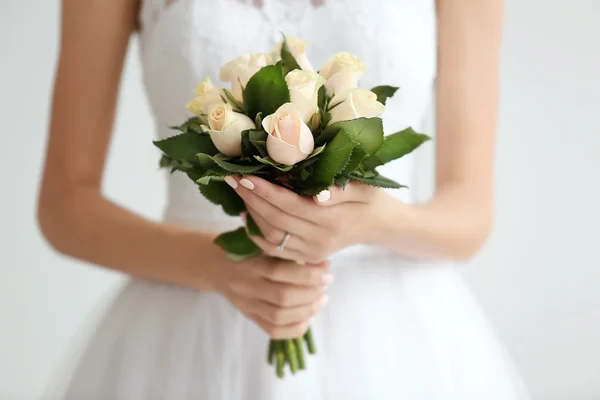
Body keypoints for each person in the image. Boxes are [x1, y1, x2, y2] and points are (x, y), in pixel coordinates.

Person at [38, 0, 529, 398]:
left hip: (390, 339)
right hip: (186, 325)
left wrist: (372, 221)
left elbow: (470, 213)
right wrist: (214, 265)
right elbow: (64, 205)